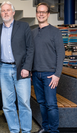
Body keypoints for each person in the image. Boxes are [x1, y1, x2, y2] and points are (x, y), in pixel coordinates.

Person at [0, 1, 34, 133]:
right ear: (0, 13)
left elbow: (30, 48)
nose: (5, 12)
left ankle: (26, 130)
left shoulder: (24, 26)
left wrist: (27, 67)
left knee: (24, 102)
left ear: (13, 12)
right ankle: (14, 130)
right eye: (3, 10)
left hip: (21, 69)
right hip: (3, 69)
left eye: (7, 10)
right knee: (7, 104)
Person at [32, 3, 65, 133]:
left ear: (48, 14)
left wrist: (57, 74)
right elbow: (31, 53)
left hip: (50, 75)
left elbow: (61, 54)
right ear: (36, 14)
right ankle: (45, 127)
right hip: (36, 74)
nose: (41, 14)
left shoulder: (55, 31)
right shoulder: (33, 32)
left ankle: (54, 131)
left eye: (44, 12)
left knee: (51, 104)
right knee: (42, 103)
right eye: (39, 12)